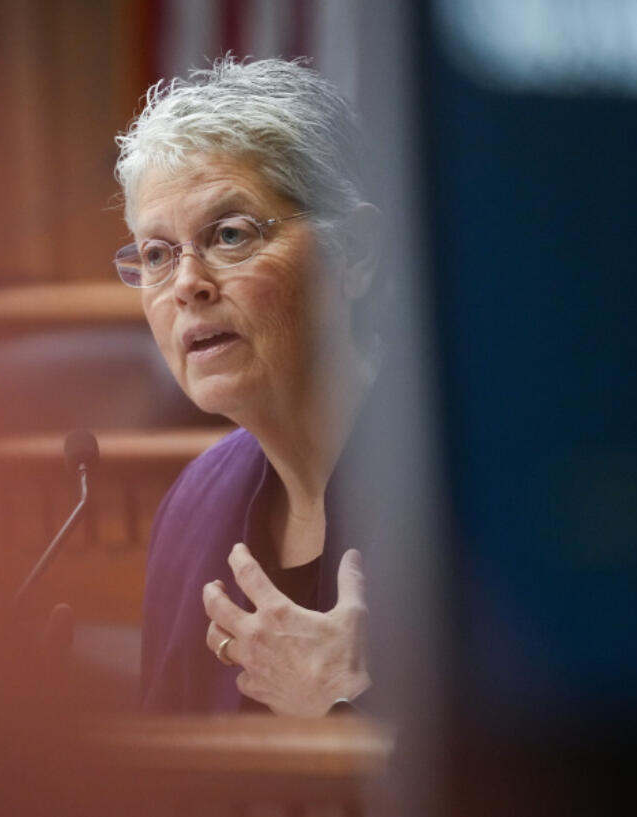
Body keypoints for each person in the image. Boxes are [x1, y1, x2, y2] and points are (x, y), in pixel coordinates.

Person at [112, 57, 387, 716]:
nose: (186, 284)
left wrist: (346, 703)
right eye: (156, 254)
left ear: (355, 253)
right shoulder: (192, 504)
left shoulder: (478, 484)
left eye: (230, 235)